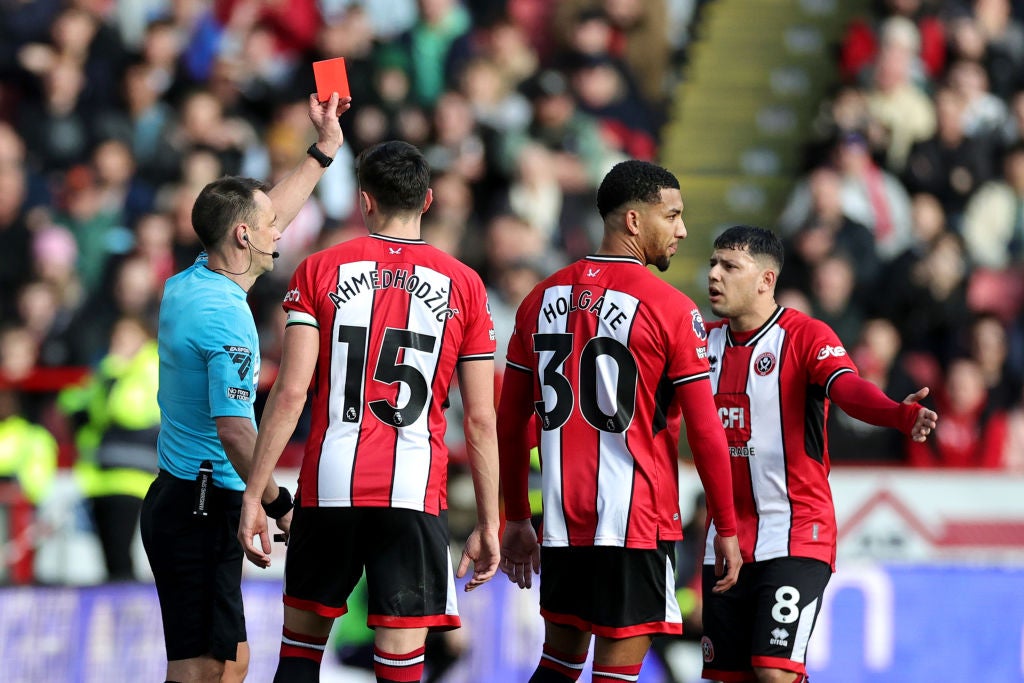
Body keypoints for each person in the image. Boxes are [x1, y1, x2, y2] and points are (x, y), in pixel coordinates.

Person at [237, 140, 501, 683]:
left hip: (329, 483)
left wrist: (253, 494)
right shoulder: (467, 285)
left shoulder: (320, 270)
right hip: (413, 488)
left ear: (364, 201)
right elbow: (479, 419)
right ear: (427, 200)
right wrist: (490, 521)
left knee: (299, 656)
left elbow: (290, 394)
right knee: (401, 665)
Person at [497, 159, 742, 683]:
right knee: (616, 675)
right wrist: (725, 524)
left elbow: (509, 419)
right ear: (633, 221)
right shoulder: (672, 309)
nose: (681, 230)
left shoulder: (539, 299)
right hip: (636, 522)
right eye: (671, 215)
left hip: (564, 522)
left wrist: (517, 514)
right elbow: (705, 432)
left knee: (559, 664)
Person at [140, 91, 350, 683]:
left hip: (194, 496)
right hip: (201, 504)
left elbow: (267, 211)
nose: (279, 233)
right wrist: (277, 502)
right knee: (206, 669)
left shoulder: (192, 280)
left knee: (230, 665)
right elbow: (235, 428)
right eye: (268, 227)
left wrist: (322, 152)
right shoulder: (224, 317)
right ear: (242, 237)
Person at [700, 224, 938, 683]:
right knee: (726, 678)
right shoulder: (701, 344)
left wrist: (895, 414)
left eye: (729, 266)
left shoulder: (804, 335)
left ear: (766, 280)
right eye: (713, 263)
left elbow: (847, 387)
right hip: (725, 540)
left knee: (774, 670)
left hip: (796, 533)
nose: (714, 274)